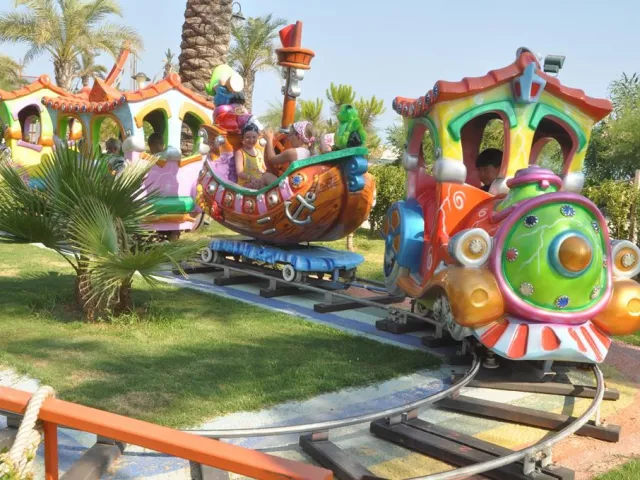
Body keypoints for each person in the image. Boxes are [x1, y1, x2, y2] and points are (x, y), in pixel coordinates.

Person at [235, 123, 267, 189]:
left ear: (257, 138)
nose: (251, 140)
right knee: (258, 185)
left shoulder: (259, 152)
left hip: (259, 181)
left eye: (254, 137)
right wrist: (251, 178)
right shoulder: (240, 153)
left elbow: (263, 168)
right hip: (245, 184)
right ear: (243, 139)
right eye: (248, 137)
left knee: (268, 178)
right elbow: (239, 173)